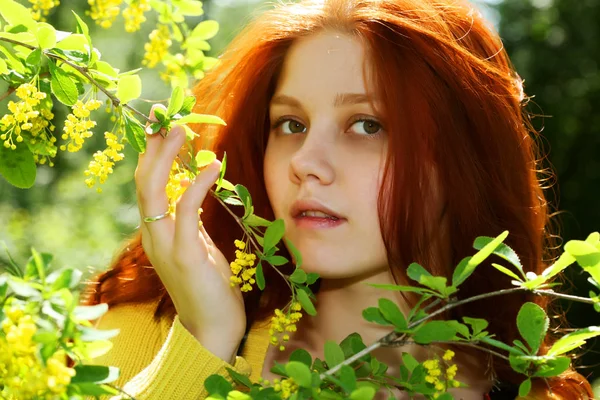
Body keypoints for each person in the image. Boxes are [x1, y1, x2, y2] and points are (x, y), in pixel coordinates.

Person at [84, 0, 594, 398]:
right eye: (291, 124)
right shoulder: (123, 338)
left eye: (367, 125)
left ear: (466, 158)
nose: (305, 160)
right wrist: (203, 343)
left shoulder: (537, 390)